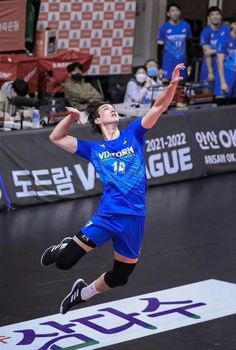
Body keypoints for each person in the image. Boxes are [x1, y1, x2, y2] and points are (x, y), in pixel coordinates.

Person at [40, 63, 185, 315]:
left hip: (135, 217)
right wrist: (72, 119)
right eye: (107, 109)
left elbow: (159, 106)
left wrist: (172, 84)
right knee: (63, 263)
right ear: (97, 120)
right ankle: (62, 247)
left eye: (112, 108)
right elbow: (57, 138)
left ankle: (81, 293)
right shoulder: (95, 150)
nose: (112, 110)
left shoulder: (134, 135)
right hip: (108, 216)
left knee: (121, 276)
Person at [156, 3, 193, 81]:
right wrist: (160, 66)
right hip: (167, 63)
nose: (175, 13)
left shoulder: (186, 26)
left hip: (182, 62)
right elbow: (159, 49)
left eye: (176, 10)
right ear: (168, 14)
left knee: (180, 87)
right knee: (167, 86)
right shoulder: (163, 28)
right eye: (172, 11)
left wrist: (189, 64)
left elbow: (190, 47)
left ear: (180, 12)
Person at [199, 6, 229, 93]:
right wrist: (210, 72)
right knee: (206, 92)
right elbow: (207, 53)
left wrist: (214, 50)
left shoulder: (227, 29)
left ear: (221, 16)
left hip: (224, 65)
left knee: (222, 92)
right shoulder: (205, 32)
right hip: (209, 66)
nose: (215, 16)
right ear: (209, 18)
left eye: (217, 14)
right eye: (212, 15)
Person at [216, 19, 236, 100]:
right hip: (226, 75)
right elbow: (220, 62)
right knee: (221, 103)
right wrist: (223, 82)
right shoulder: (224, 40)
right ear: (233, 25)